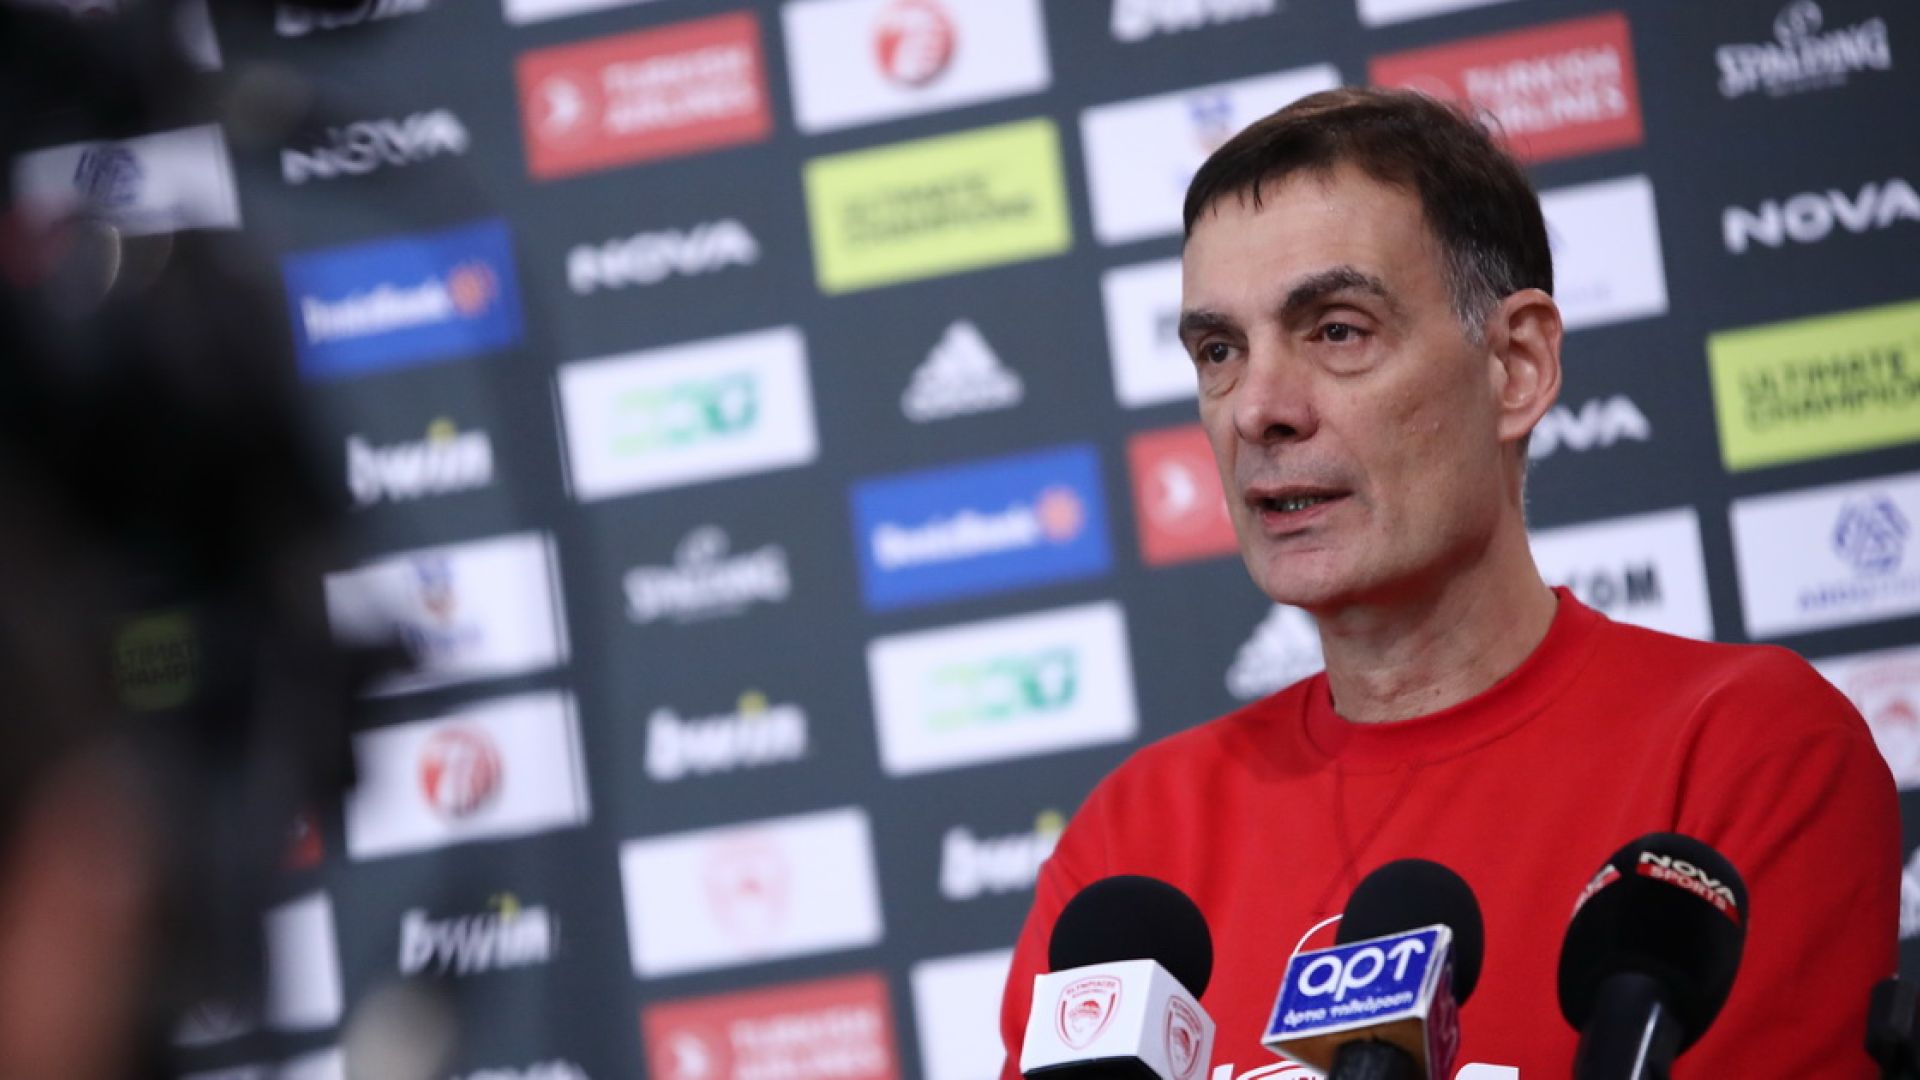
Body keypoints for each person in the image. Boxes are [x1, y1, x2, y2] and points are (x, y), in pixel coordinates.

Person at [997, 87, 1899, 1077]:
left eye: (1337, 330)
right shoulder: (1132, 844)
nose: (1258, 408)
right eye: (1221, 350)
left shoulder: (1741, 748)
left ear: (1516, 365)